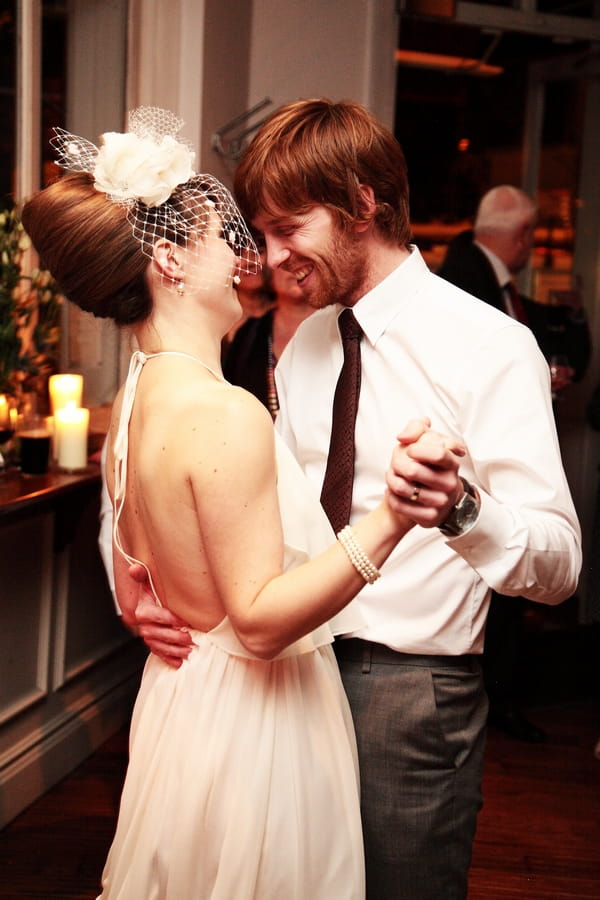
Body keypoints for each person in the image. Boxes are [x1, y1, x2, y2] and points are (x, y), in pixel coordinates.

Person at [130, 100, 582, 899]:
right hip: (282, 677)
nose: (268, 259)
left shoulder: (492, 347)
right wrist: (153, 581)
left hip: (409, 695)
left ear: (362, 203)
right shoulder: (305, 345)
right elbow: (256, 515)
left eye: (288, 228)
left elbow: (560, 566)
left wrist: (461, 510)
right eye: (259, 234)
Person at [22, 107, 465, 900]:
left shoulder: (134, 399)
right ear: (168, 260)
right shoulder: (222, 411)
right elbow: (258, 623)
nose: (244, 254)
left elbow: (150, 553)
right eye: (217, 236)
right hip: (255, 721)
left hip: (185, 700)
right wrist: (394, 516)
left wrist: (139, 589)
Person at [437, 184, 591, 743]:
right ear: (522, 236)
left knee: (509, 572)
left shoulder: (486, 280)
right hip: (469, 478)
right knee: (492, 584)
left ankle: (499, 697)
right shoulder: (466, 281)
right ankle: (496, 698)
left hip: (490, 508)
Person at [223, 262, 314, 417]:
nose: (293, 268)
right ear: (268, 273)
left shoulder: (339, 325)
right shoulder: (248, 335)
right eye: (283, 265)